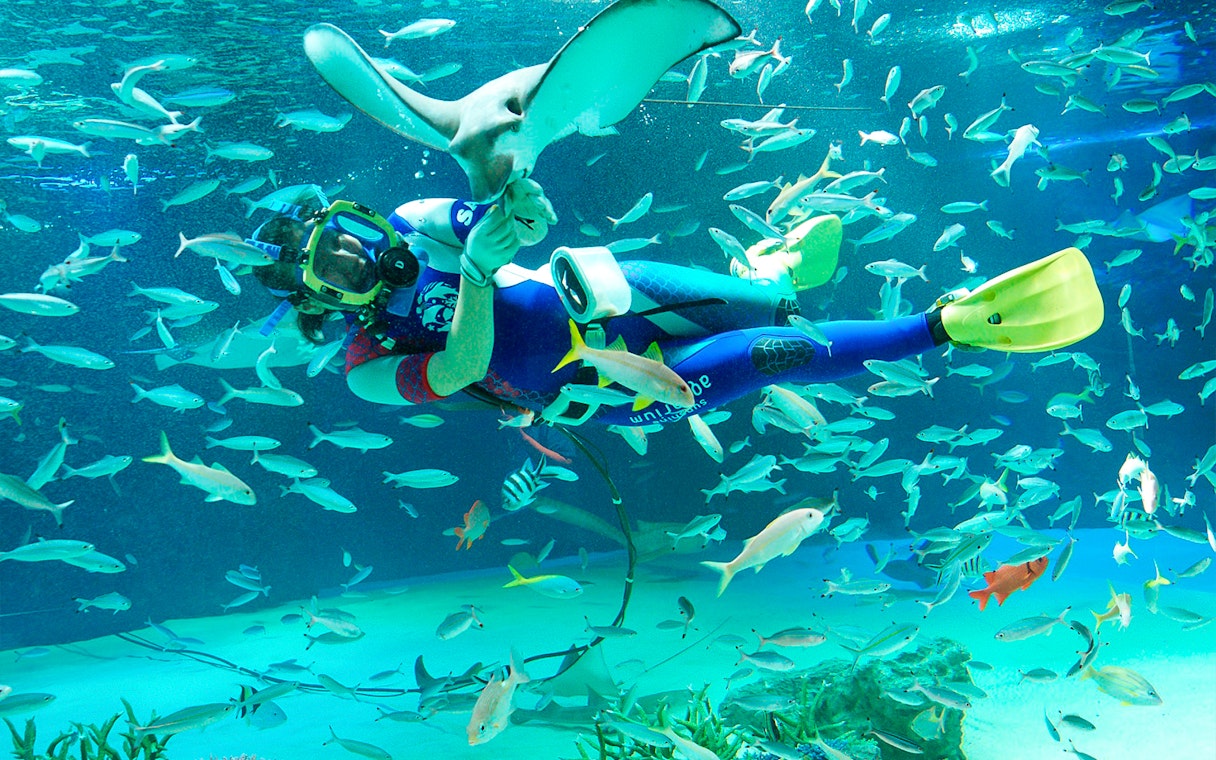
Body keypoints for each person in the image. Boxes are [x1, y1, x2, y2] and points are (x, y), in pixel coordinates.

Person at [246, 182, 1104, 427]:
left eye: (345, 231)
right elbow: (465, 365)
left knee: (767, 305)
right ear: (321, 298)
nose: (358, 253)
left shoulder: (416, 221)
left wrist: (514, 197)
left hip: (611, 287)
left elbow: (523, 212)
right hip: (613, 387)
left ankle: (775, 273)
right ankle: (944, 325)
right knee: (782, 353)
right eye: (334, 263)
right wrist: (474, 270)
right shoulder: (363, 368)